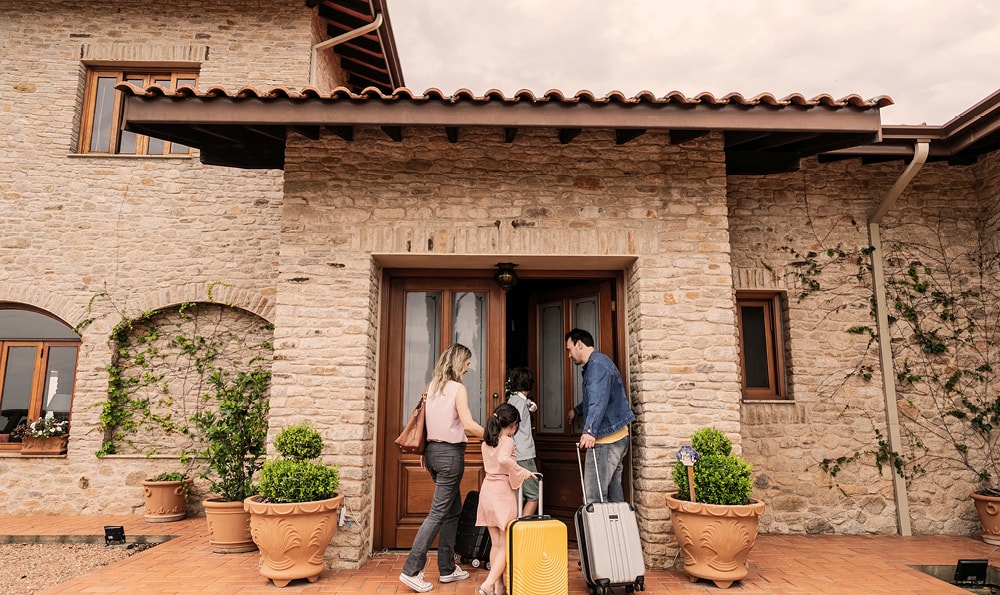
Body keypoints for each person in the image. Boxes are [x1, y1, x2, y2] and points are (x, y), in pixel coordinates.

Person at [400, 343, 484, 593]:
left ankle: (447, 568)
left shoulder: (431, 386)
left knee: (452, 511)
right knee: (438, 513)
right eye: (467, 363)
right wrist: (494, 435)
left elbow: (423, 421)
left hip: (433, 455)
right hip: (449, 456)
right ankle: (411, 569)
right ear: (458, 362)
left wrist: (426, 450)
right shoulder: (457, 388)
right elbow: (467, 423)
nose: (469, 367)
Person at [565, 328, 636, 504]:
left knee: (594, 497)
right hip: (616, 438)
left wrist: (589, 431)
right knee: (613, 494)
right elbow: (599, 397)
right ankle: (619, 532)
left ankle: (600, 532)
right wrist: (577, 411)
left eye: (569, 349)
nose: (569, 355)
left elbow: (598, 400)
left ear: (579, 344)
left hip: (605, 442)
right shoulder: (599, 363)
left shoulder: (596, 366)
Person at [476, 403, 536, 595]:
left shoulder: (487, 441)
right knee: (506, 542)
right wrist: (523, 471)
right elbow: (504, 460)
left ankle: (498, 587)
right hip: (502, 493)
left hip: (487, 491)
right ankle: (487, 585)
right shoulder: (507, 441)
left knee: (496, 544)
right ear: (513, 425)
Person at [505, 367, 539, 516]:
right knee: (534, 495)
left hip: (515, 454)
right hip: (524, 454)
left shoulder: (512, 400)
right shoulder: (520, 403)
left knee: (519, 494)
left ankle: (512, 530)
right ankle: (521, 531)